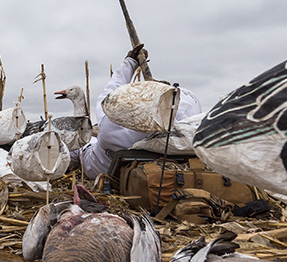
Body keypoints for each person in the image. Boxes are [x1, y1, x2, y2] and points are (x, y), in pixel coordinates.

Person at [75, 45, 202, 181]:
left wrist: (130, 62)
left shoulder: (111, 126)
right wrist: (164, 92)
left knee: (79, 145)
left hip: (100, 169)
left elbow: (109, 96)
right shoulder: (182, 131)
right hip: (154, 174)